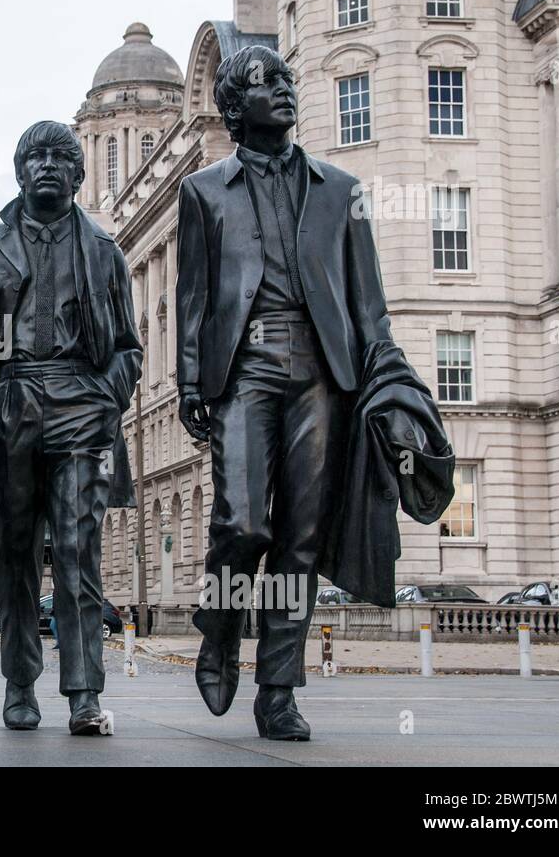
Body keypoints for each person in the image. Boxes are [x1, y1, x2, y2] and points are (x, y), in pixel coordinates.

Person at [175, 45, 397, 740]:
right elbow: (193, 298)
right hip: (245, 366)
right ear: (235, 107)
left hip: (323, 374)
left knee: (300, 539)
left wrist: (385, 379)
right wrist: (189, 381)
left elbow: (370, 305)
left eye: (288, 78)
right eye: (264, 82)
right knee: (244, 523)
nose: (285, 88)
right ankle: (219, 625)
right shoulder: (204, 191)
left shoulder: (341, 188)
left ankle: (278, 690)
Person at [0, 120, 142, 735]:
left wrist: (105, 398)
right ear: (19, 171)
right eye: (37, 156)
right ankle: (20, 683)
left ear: (79, 175)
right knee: (14, 551)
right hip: (9, 406)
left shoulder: (105, 253)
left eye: (62, 156)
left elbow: (129, 350)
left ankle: (85, 692)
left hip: (81, 406)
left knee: (79, 551)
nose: (49, 165)